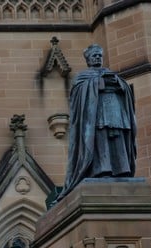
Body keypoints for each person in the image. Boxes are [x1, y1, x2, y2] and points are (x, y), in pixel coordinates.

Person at [60, 44, 137, 199]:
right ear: (88, 59)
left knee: (118, 142)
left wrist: (117, 83)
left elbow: (126, 89)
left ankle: (122, 169)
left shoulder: (111, 73)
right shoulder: (82, 77)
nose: (97, 58)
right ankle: (103, 170)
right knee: (101, 143)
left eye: (99, 56)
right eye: (94, 56)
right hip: (96, 115)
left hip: (116, 114)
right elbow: (77, 96)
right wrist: (98, 83)